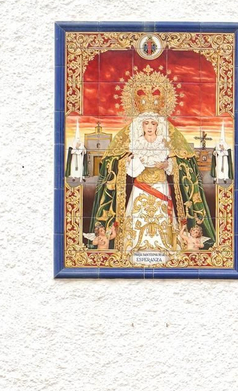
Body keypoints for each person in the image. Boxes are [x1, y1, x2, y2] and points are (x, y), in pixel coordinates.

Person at [90, 67, 217, 254]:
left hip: (160, 185)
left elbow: (180, 164)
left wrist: (167, 165)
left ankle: (165, 249)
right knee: (138, 218)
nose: (149, 126)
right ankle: (135, 248)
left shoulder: (165, 142)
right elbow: (124, 167)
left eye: (153, 123)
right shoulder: (135, 143)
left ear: (158, 125)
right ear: (141, 125)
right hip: (141, 186)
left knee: (163, 221)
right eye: (146, 123)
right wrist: (134, 162)